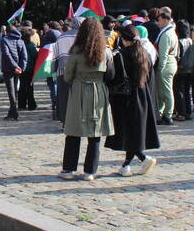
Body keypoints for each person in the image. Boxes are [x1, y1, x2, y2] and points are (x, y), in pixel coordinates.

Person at [58, 18, 114, 181]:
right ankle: (90, 171)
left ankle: (68, 169)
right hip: (98, 91)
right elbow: (110, 74)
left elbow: (67, 76)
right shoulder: (105, 51)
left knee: (73, 131)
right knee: (94, 133)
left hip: (79, 91)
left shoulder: (76, 51)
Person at [105, 24, 159, 176]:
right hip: (142, 95)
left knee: (128, 132)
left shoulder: (121, 55)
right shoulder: (144, 54)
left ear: (125, 39)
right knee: (134, 132)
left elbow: (114, 78)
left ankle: (142, 159)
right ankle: (126, 166)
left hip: (125, 97)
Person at [53, 18, 80, 122]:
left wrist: (54, 70)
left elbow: (55, 56)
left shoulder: (61, 37)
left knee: (64, 98)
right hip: (79, 72)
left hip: (62, 71)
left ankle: (65, 121)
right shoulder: (83, 36)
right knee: (77, 98)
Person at [154, 11, 178, 125]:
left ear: (165, 20)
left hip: (166, 65)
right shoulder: (170, 32)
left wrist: (160, 69)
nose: (157, 23)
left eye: (159, 20)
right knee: (162, 91)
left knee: (167, 91)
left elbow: (163, 54)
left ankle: (168, 115)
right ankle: (162, 113)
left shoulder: (166, 34)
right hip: (170, 63)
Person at [172, 20, 194, 121]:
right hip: (190, 70)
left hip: (181, 69)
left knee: (179, 91)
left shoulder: (180, 42)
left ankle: (181, 113)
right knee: (187, 91)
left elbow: (178, 56)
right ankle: (188, 112)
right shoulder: (192, 41)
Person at [0, 23, 27, 120]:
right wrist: (21, 67)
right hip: (17, 69)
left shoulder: (4, 40)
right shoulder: (20, 40)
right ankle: (12, 111)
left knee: (11, 91)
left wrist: (16, 67)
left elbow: (7, 55)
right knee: (14, 90)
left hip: (9, 68)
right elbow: (24, 56)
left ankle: (14, 112)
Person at [20, 23, 39, 111]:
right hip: (30, 69)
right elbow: (35, 56)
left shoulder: (20, 44)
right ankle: (31, 105)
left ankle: (21, 104)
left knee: (22, 87)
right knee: (30, 87)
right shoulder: (31, 46)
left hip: (22, 68)